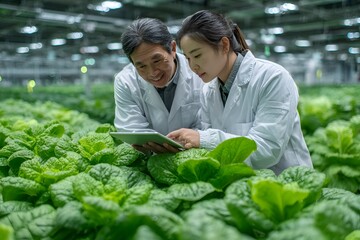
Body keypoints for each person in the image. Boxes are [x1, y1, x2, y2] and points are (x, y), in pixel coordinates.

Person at [167, 10, 313, 174]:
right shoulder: (208, 90)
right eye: (187, 58)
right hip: (239, 185)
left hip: (285, 185)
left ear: (224, 45)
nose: (193, 66)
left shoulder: (273, 78)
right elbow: (210, 149)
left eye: (197, 55)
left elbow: (268, 149)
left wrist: (204, 139)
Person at [114, 17, 203, 153]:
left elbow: (211, 122)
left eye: (157, 61)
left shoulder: (199, 71)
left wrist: (191, 141)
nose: (153, 73)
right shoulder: (125, 81)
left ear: (173, 49)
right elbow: (131, 128)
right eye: (141, 66)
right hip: (152, 161)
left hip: (196, 155)